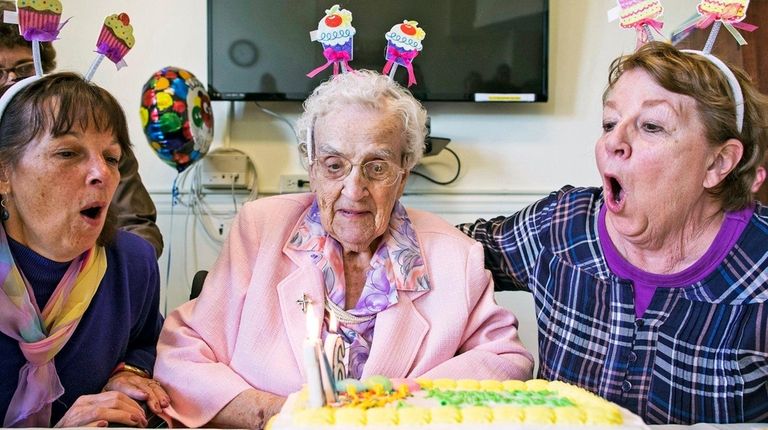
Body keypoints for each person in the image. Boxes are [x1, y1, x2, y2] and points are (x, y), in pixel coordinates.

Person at [154, 69, 534, 428]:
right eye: (335, 165)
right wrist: (271, 414)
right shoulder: (260, 229)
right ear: (312, 166)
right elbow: (181, 355)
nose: (354, 189)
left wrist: (399, 406)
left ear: (405, 170)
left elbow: (507, 362)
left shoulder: (455, 256)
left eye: (377, 167)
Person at [459, 41, 768, 425]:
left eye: (651, 126)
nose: (613, 142)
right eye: (609, 123)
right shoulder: (562, 226)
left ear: (718, 162)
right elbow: (455, 252)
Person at [0, 73, 168, 427]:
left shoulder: (132, 264)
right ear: (4, 173)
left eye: (111, 158)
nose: (101, 174)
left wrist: (130, 372)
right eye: (68, 152)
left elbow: (148, 340)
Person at [0, 0, 163, 257]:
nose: (10, 80)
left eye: (23, 69)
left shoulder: (98, 144)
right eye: (66, 153)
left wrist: (112, 274)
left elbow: (139, 226)